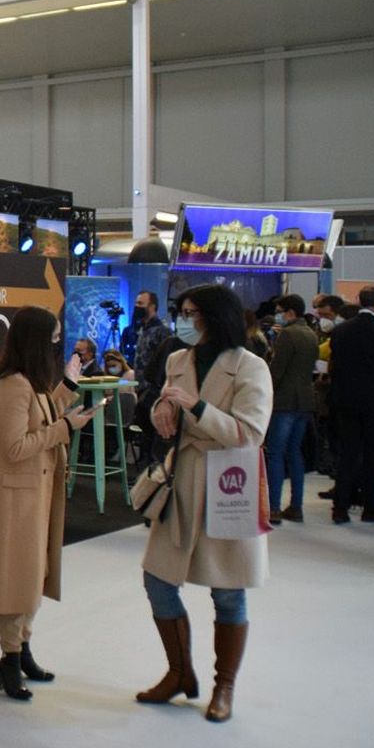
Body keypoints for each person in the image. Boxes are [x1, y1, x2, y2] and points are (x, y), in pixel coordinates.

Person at [138, 284, 272, 724]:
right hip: (183, 477)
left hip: (228, 484)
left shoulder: (251, 366)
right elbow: (169, 398)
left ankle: (224, 686)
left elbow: (250, 434)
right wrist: (163, 408)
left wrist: (195, 407)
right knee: (158, 579)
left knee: (228, 591)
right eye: (184, 312)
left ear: (216, 316)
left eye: (193, 313)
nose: (186, 321)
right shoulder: (179, 359)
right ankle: (179, 673)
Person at [0, 307, 97, 702]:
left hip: (36, 493)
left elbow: (44, 413)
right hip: (16, 497)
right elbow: (17, 446)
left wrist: (69, 387)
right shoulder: (12, 386)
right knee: (17, 578)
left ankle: (23, 649)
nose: (58, 345)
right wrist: (66, 428)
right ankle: (10, 656)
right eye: (54, 339)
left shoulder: (31, 384)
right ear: (36, 341)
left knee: (35, 574)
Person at [326, 285, 374, 524]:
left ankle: (340, 507)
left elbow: (332, 366)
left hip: (345, 399)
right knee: (372, 455)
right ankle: (370, 506)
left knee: (348, 454)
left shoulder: (340, 331)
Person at [265, 295, 320, 524]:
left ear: (289, 312)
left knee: (276, 453)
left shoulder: (287, 335)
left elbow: (277, 371)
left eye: (280, 311)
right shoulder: (311, 333)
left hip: (285, 401)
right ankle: (296, 506)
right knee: (295, 452)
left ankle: (274, 507)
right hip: (305, 401)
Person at [130, 290, 170, 380]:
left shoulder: (162, 330)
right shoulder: (142, 329)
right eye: (136, 303)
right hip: (139, 385)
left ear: (152, 306)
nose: (137, 307)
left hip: (153, 386)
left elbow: (164, 360)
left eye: (140, 303)